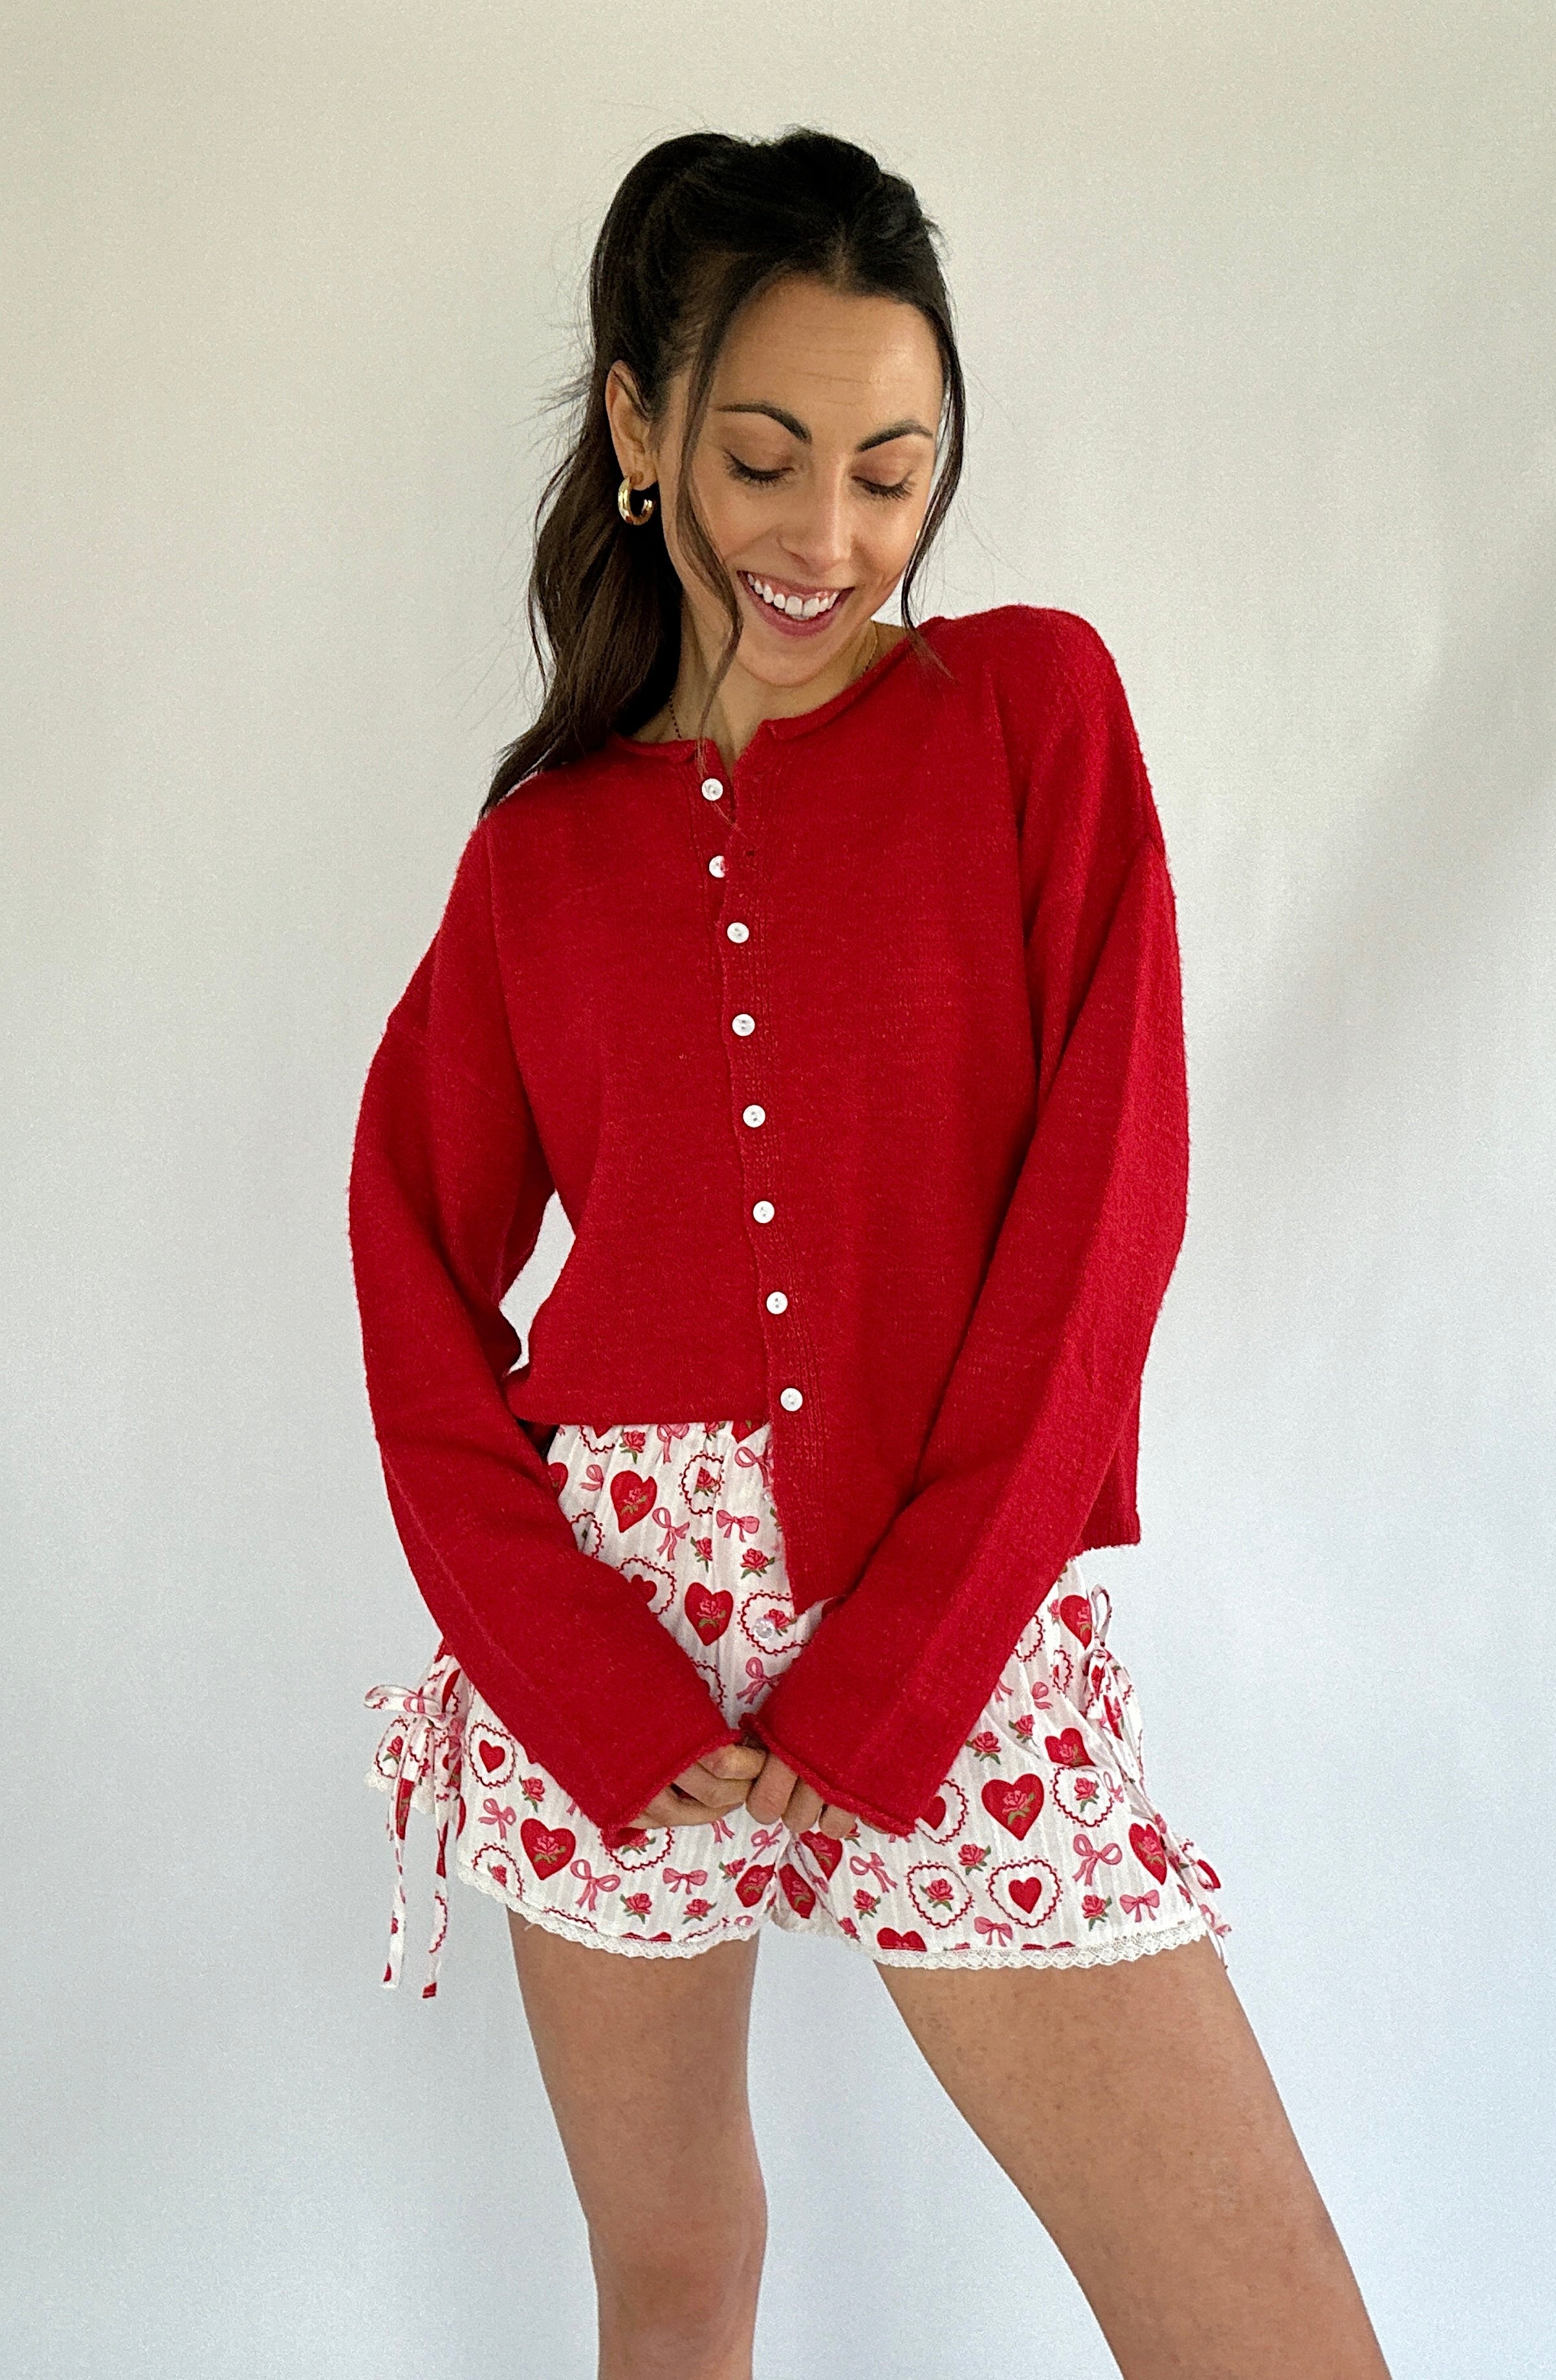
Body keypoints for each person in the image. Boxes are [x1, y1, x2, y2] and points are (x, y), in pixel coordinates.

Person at [350, 126, 1391, 2380]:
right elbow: (412, 1271)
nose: (830, 534)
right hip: (603, 1647)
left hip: (952, 1616)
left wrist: (905, 1661)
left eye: (896, 470)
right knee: (676, 2283)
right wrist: (578, 1674)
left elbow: (1107, 1218)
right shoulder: (545, 856)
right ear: (638, 427)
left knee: (1261, 2331)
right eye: (764, 454)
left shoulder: (1030, 714)